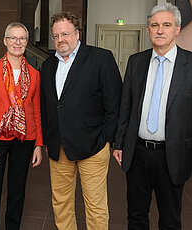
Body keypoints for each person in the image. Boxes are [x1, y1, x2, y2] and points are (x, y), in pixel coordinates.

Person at [113, 3, 192, 229]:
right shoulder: (136, 62)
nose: (160, 30)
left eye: (166, 25)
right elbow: (126, 106)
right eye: (155, 25)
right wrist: (119, 143)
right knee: (135, 216)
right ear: (148, 30)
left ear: (177, 29)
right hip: (138, 153)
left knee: (170, 219)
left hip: (172, 155)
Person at [40, 11, 122, 230]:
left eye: (65, 34)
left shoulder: (101, 58)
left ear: (77, 33)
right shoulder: (47, 66)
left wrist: (106, 138)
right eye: (56, 36)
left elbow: (114, 102)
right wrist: (49, 139)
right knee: (61, 203)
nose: (60, 40)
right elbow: (47, 106)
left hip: (93, 146)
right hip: (59, 148)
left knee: (95, 205)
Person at [0, 22, 43, 230]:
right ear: (5, 41)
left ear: (27, 42)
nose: (18, 42)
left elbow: (36, 111)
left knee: (17, 190)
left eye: (22, 38)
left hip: (25, 139)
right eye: (13, 38)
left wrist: (38, 144)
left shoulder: (34, 74)